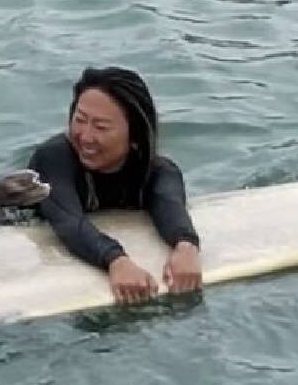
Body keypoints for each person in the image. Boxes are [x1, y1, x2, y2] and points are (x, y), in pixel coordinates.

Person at [27, 66, 202, 305]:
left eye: (101, 127)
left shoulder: (159, 172)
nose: (85, 136)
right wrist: (116, 260)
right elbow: (68, 220)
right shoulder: (52, 159)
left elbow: (168, 202)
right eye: (79, 120)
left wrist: (186, 246)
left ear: (134, 136)